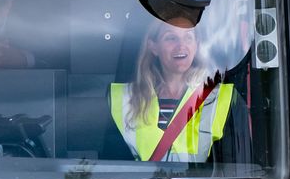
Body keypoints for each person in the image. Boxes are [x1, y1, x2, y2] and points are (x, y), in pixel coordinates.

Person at [104, 19, 249, 163]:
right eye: (171, 38)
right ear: (153, 47)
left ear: (196, 45)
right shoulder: (122, 98)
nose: (181, 46)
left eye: (188, 37)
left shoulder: (223, 99)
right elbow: (112, 167)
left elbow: (235, 172)